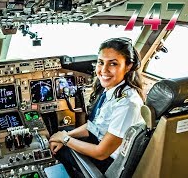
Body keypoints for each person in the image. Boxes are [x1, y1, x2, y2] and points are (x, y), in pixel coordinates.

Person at [49, 37, 144, 177]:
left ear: (128, 66)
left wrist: (65, 139)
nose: (103, 70)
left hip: (110, 162)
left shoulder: (128, 104)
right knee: (65, 131)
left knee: (59, 149)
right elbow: (93, 126)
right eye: (100, 62)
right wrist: (65, 135)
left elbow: (101, 153)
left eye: (113, 64)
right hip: (101, 143)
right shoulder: (114, 90)